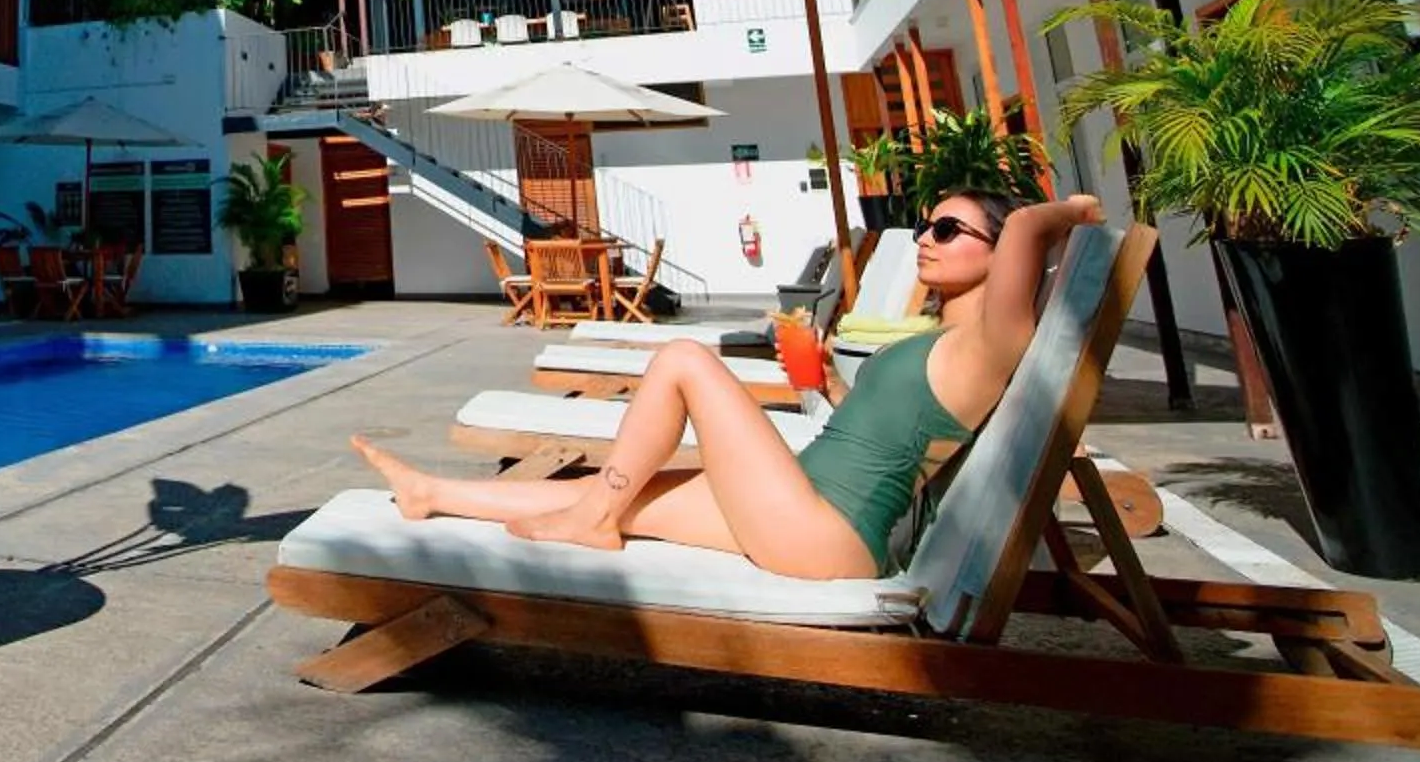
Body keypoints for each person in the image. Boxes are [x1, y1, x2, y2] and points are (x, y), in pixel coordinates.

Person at [352, 191, 1101, 580]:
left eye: (947, 230)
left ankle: (591, 521)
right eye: (926, 226)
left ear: (1000, 253)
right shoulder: (936, 341)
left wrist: (1072, 214)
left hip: (826, 531)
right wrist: (827, 384)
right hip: (803, 500)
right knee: (617, 492)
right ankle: (433, 494)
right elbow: (893, 436)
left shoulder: (992, 341)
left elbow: (1027, 227)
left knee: (683, 358)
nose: (924, 239)